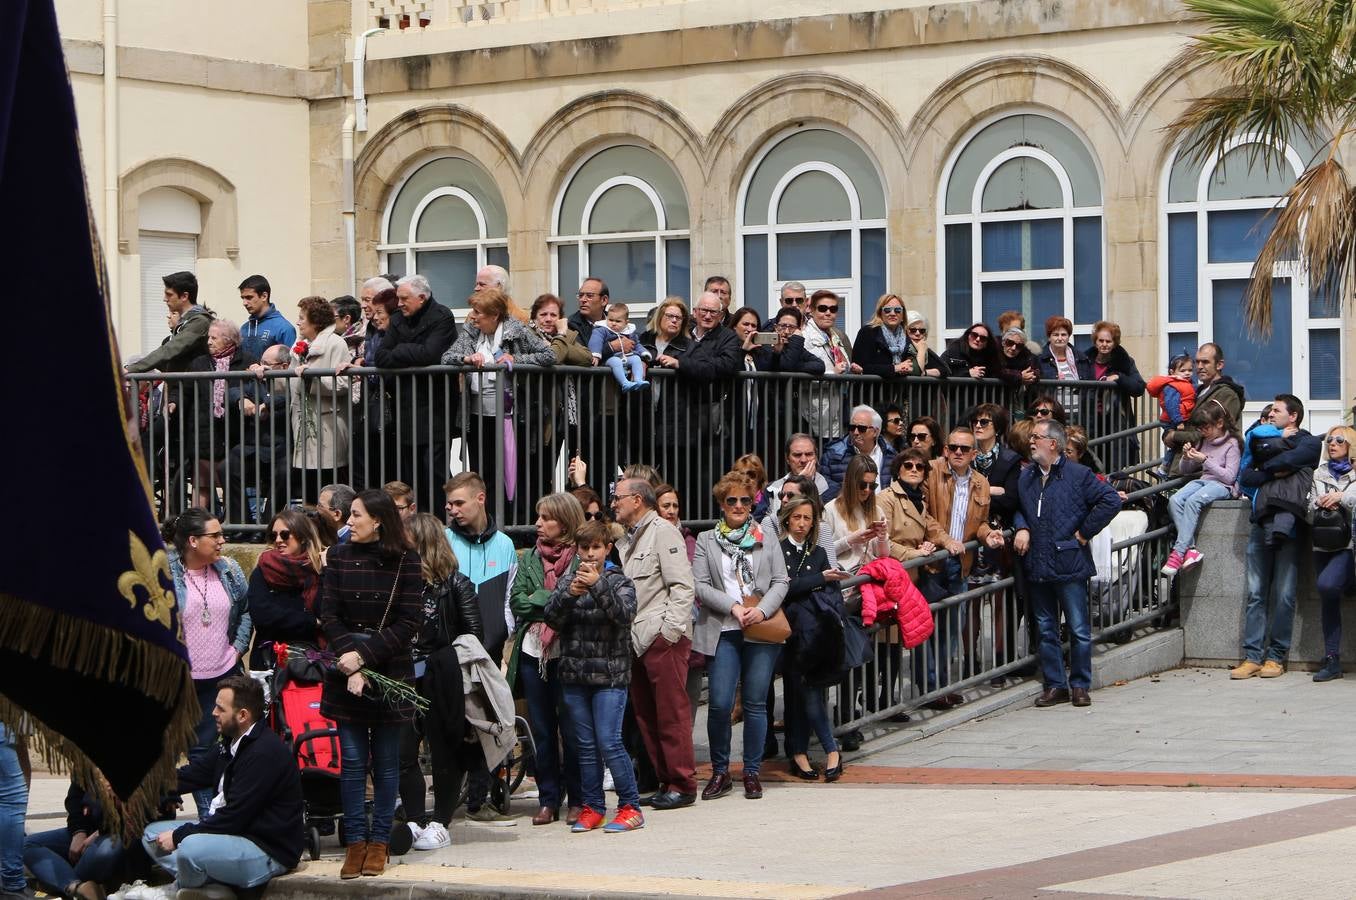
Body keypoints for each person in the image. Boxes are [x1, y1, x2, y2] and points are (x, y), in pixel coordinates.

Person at [319, 489, 423, 878]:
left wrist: (364, 658)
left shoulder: (407, 560)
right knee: (352, 764)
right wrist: (352, 665)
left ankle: (380, 841)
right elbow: (328, 615)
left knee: (386, 763)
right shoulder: (339, 557)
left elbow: (409, 621)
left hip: (389, 671)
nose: (349, 521)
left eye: (357, 515)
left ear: (378, 520)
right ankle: (355, 843)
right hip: (346, 672)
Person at [141, 676, 303, 894]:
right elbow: (190, 776)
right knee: (152, 835)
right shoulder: (229, 743)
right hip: (232, 835)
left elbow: (234, 817)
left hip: (266, 849)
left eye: (220, 708)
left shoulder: (264, 753)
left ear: (242, 715)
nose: (213, 713)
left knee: (188, 848)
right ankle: (210, 885)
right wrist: (139, 785)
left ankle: (184, 890)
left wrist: (180, 836)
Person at [692, 472, 789, 801]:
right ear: (721, 503)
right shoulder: (706, 540)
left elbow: (781, 580)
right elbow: (700, 585)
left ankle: (751, 771)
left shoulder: (766, 535)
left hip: (760, 625)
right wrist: (733, 607)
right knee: (719, 703)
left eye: (744, 500)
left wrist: (761, 611)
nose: (737, 505)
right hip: (724, 626)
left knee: (756, 703)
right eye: (731, 500)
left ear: (753, 503)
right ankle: (720, 771)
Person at [543, 520, 643, 833]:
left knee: (609, 741)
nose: (589, 554)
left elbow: (623, 616)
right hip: (575, 675)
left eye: (595, 548)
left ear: (607, 549)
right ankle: (593, 806)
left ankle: (631, 806)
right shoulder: (568, 581)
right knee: (584, 745)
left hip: (610, 677)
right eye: (584, 548)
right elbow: (551, 618)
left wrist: (597, 585)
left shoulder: (619, 581)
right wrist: (568, 595)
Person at [1014, 420, 1121, 708]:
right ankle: (1055, 684)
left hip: (1069, 560)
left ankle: (1080, 684)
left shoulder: (1079, 474)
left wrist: (1085, 532)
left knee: (1078, 627)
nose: (1031, 441)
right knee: (1046, 627)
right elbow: (1018, 508)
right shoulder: (1027, 476)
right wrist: (1022, 527)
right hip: (1038, 561)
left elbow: (1110, 500)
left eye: (1037, 437)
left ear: (1054, 443)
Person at [612, 478, 699, 811]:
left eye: (617, 498)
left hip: (661, 638)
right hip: (637, 639)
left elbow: (682, 586)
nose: (613, 503)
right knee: (648, 715)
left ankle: (682, 782)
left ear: (637, 500)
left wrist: (670, 632)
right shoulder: (629, 539)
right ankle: (666, 781)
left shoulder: (663, 531)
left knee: (671, 713)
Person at [402, 513, 483, 850]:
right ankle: (415, 817)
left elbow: (474, 633)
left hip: (443, 677)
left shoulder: (456, 583)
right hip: (405, 677)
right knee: (403, 751)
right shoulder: (400, 582)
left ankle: (441, 822)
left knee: (444, 752)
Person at [165, 508, 251, 818]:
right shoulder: (164, 571)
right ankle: (155, 815)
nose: (222, 541)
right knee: (165, 752)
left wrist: (237, 648)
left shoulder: (228, 570)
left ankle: (209, 821)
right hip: (175, 680)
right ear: (192, 541)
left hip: (219, 678)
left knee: (206, 753)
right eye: (214, 535)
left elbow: (245, 609)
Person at [507, 493, 586, 827]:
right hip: (532, 652)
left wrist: (546, 601)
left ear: (565, 522)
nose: (537, 524)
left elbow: (578, 605)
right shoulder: (528, 559)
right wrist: (555, 599)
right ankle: (548, 799)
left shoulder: (581, 558)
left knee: (572, 728)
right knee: (541, 730)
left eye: (545, 518)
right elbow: (517, 602)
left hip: (568, 652)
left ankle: (579, 798)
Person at [443, 472, 519, 820]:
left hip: (489, 647)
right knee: (454, 725)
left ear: (481, 499)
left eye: (459, 503)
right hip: (451, 650)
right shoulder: (445, 540)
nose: (452, 509)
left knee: (486, 723)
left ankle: (481, 797)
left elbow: (509, 600)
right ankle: (449, 797)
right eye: (449, 504)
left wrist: (500, 639)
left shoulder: (504, 544)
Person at [1231, 395, 1322, 680]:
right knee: (1256, 594)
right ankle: (1252, 656)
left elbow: (1301, 458)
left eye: (1277, 410)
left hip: (1290, 530)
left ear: (1293, 416)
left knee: (1284, 594)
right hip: (1260, 523)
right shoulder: (1259, 441)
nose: (1270, 413)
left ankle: (1276, 657)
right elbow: (1245, 477)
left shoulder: (1308, 440)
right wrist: (1276, 470)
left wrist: (1266, 468)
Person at [921, 427, 1007, 708]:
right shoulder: (930, 471)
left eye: (964, 449)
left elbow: (979, 522)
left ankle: (943, 684)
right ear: (945, 449)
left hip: (961, 562)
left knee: (953, 627)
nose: (958, 452)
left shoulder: (980, 482)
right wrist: (946, 540)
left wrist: (987, 535)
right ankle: (931, 689)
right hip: (932, 560)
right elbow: (923, 516)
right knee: (929, 627)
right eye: (953, 447)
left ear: (973, 454)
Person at [442, 287, 555, 492]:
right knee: (482, 472)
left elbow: (549, 355)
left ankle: (514, 520)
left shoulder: (517, 330)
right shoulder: (471, 331)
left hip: (513, 414)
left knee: (513, 469)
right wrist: (465, 359)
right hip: (476, 414)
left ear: (495, 315)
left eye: (478, 312)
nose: (473, 317)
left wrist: (516, 359)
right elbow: (447, 357)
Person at [375, 274, 459, 513]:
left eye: (404, 298)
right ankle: (412, 522)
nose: (399, 304)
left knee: (434, 471)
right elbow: (381, 356)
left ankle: (438, 523)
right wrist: (411, 352)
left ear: (422, 298)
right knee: (409, 475)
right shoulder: (399, 319)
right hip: (405, 408)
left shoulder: (442, 316)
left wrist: (400, 350)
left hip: (435, 406)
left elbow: (432, 354)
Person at [778, 496, 848, 782]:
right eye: (796, 518)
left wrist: (817, 579)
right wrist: (819, 578)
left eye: (807, 518)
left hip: (815, 635)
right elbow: (783, 587)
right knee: (796, 695)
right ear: (786, 520)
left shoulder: (818, 552)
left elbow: (825, 591)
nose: (802, 524)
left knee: (810, 693)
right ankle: (807, 751)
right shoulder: (778, 550)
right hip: (788, 633)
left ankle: (814, 751)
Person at [185, 318, 258, 512]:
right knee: (202, 482)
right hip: (204, 432)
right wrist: (174, 401)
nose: (208, 341)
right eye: (208, 337)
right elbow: (185, 392)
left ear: (229, 340)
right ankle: (197, 523)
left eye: (214, 338)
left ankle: (232, 523)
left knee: (229, 478)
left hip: (235, 433)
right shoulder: (199, 363)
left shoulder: (248, 361)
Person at [1162, 405, 1240, 576]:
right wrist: (1186, 456)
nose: (1203, 432)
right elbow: (1185, 470)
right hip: (1204, 481)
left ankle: (1178, 552)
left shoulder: (1232, 444)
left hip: (1223, 486)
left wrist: (1205, 459)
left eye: (1206, 427)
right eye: (1200, 429)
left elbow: (1229, 478)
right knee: (1175, 500)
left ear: (1220, 423)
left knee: (1193, 501)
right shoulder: (1203, 441)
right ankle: (1190, 549)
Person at [289, 296, 351, 498]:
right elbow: (290, 383)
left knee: (329, 484)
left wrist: (312, 378)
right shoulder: (298, 345)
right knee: (307, 485)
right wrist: (266, 372)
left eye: (302, 318)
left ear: (315, 321)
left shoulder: (336, 344)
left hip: (327, 423)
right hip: (303, 422)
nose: (298, 322)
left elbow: (343, 385)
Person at [246, 508, 324, 669]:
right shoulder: (264, 568)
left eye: (285, 534)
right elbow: (263, 617)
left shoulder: (319, 568)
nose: (278, 540)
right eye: (274, 535)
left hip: (311, 659)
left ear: (302, 537)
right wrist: (310, 621)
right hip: (270, 658)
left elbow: (326, 611)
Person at [23, 779, 124, 900]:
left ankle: (54, 882)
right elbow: (74, 799)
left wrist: (100, 832)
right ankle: (78, 887)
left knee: (107, 851)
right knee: (26, 844)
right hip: (86, 829)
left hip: (117, 833)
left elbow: (141, 814)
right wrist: (79, 832)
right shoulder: (85, 764)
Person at [1309, 425, 1356, 683]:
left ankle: (1350, 582)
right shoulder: (1319, 473)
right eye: (1329, 440)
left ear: (1350, 444)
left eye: (1339, 440)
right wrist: (1318, 503)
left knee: (1327, 585)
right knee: (1328, 599)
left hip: (1349, 545)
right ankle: (1332, 659)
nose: (1333, 443)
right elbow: (1307, 507)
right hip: (1322, 543)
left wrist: (1342, 497)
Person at [1163, 343, 1246, 474]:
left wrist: (1175, 435)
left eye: (1205, 362)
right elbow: (1185, 424)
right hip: (1183, 464)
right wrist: (1168, 434)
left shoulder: (1227, 393)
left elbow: (1214, 433)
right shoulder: (1196, 391)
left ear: (1219, 365)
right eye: (1197, 362)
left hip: (1204, 471)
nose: (1200, 367)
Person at [1083, 321, 1146, 472]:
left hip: (1114, 422)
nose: (1104, 344)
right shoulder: (1084, 360)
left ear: (1115, 343)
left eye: (1108, 341)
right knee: (1090, 465)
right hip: (1088, 421)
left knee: (1114, 468)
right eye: (1101, 340)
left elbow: (1139, 387)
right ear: (1095, 341)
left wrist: (1119, 377)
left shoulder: (1124, 362)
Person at [126, 272, 216, 374]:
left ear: (184, 296)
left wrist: (130, 369)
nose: (165, 299)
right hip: (181, 387)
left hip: (190, 388)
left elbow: (170, 349)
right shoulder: (186, 321)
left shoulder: (199, 321)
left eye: (169, 294)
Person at [799, 289, 857, 439]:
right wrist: (833, 375)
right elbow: (802, 376)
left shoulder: (835, 335)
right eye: (822, 308)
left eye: (833, 309)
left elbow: (839, 364)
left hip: (837, 408)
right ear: (811, 310)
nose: (828, 313)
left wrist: (851, 369)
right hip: (816, 410)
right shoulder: (804, 336)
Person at [820, 405, 897, 500]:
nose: (856, 432)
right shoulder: (833, 455)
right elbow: (824, 489)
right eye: (852, 427)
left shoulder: (891, 455)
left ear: (875, 432)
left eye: (861, 428)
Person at [1148, 353, 1197, 475]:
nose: (1187, 373)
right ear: (1172, 372)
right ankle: (1164, 468)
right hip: (1173, 420)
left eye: (1190, 370)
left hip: (1177, 418)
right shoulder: (1173, 385)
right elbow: (1171, 404)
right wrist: (1178, 421)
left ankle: (1166, 467)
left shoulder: (1187, 383)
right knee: (1177, 446)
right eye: (1182, 370)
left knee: (1180, 445)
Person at [766, 433, 831, 520]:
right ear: (787, 459)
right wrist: (800, 482)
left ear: (815, 457)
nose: (803, 460)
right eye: (797, 455)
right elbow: (761, 524)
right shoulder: (772, 488)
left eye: (808, 454)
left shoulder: (831, 489)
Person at [852, 294, 917, 379]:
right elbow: (860, 366)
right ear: (880, 313)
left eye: (897, 310)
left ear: (902, 314)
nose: (892, 313)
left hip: (898, 390)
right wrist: (895, 368)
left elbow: (939, 367)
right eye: (887, 310)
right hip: (872, 390)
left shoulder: (907, 336)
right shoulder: (868, 332)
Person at [589, 302, 650, 392]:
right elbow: (595, 341)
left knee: (636, 359)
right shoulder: (602, 329)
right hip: (609, 358)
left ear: (626, 322)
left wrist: (644, 353)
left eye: (618, 321)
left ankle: (638, 380)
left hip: (626, 357)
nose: (613, 323)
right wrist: (596, 355)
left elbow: (637, 344)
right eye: (610, 320)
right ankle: (625, 383)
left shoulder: (629, 332)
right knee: (616, 361)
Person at [238, 275, 296, 361]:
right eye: (243, 298)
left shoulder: (284, 328)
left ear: (264, 296)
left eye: (249, 297)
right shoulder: (244, 328)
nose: (244, 303)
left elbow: (291, 364)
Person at [655, 483, 697, 561]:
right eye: (666, 506)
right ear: (654, 509)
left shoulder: (688, 541)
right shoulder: (645, 537)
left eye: (675, 506)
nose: (672, 511)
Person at [568, 277, 610, 345]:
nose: (583, 300)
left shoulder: (616, 320)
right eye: (580, 295)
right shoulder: (571, 325)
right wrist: (611, 347)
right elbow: (584, 354)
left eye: (589, 296)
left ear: (604, 300)